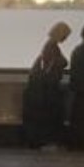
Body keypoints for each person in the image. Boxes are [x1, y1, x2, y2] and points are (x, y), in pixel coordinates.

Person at [22, 21, 72, 149]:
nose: (66, 39)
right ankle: (49, 141)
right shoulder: (52, 47)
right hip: (46, 89)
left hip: (40, 88)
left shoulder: (49, 46)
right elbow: (52, 69)